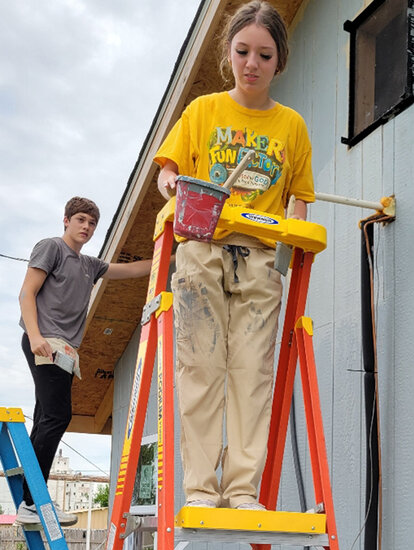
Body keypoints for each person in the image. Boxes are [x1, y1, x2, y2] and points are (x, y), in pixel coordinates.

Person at [154, 0, 314, 511]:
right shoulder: (203, 110)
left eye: (264, 55)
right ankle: (201, 489)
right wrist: (173, 184)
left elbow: (300, 197)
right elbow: (167, 173)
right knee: (200, 367)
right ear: (228, 53)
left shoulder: (292, 126)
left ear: (279, 62)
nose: (252, 63)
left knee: (251, 375)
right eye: (243, 50)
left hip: (261, 257)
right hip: (202, 248)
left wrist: (297, 234)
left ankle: (241, 489)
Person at [16, 196, 152, 526]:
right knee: (58, 416)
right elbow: (26, 293)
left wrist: (175, 254)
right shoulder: (51, 248)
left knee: (46, 417)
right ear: (66, 220)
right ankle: (33, 503)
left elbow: (132, 269)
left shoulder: (90, 265)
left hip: (63, 350)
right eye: (80, 220)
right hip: (45, 342)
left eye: (91, 224)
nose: (86, 228)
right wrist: (36, 338)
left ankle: (29, 499)